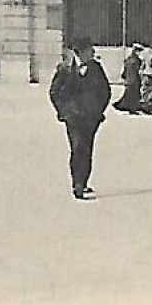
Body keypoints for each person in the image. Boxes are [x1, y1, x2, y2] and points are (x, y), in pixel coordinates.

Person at [49, 37, 111, 201]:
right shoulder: (66, 69)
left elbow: (105, 91)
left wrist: (98, 111)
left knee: (87, 149)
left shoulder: (96, 68)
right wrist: (63, 112)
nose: (93, 53)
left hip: (91, 118)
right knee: (78, 148)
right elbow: (54, 92)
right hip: (73, 117)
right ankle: (77, 185)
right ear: (80, 52)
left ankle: (82, 182)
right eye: (90, 50)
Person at [113, 46, 144, 114]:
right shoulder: (137, 60)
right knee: (133, 95)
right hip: (134, 80)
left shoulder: (128, 59)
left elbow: (125, 69)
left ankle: (126, 106)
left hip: (129, 79)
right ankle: (131, 108)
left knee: (130, 94)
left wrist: (124, 76)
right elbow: (137, 70)